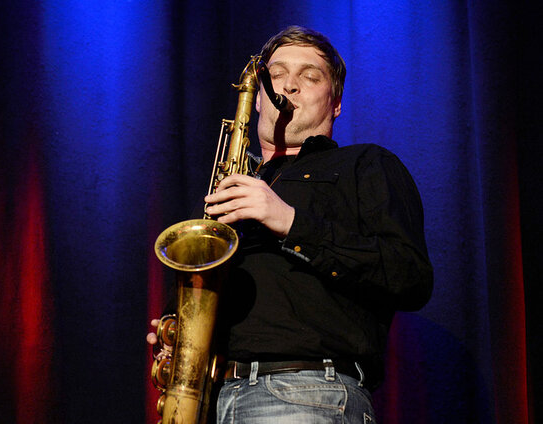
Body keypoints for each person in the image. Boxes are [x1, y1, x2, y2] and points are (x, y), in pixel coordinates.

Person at [148, 25, 433, 424]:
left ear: (335, 103)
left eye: (310, 76)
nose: (290, 85)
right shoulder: (233, 188)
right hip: (215, 399)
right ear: (259, 97)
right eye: (277, 74)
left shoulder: (366, 164)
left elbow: (410, 277)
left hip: (307, 393)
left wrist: (289, 221)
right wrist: (176, 332)